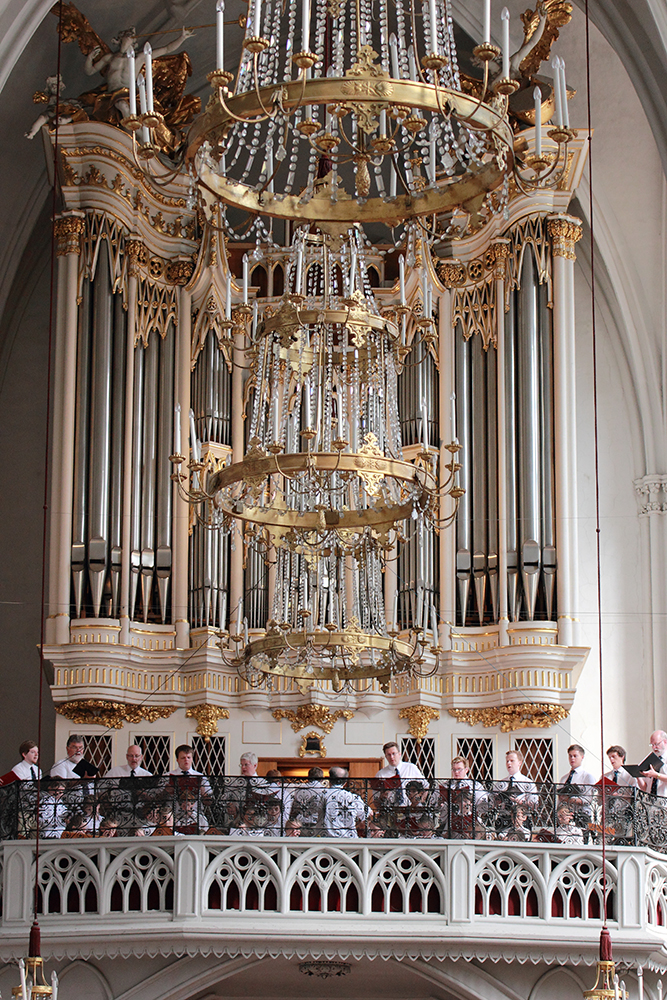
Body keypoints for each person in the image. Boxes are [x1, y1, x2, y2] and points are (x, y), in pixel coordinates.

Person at [83, 25, 195, 119]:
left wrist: (182, 37)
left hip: (127, 94)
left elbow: (167, 49)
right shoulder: (110, 58)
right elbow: (89, 71)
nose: (131, 37)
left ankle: (136, 130)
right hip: (109, 94)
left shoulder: (139, 58)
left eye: (132, 36)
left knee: (123, 105)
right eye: (128, 35)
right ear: (121, 39)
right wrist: (89, 58)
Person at [323, 767, 370, 837]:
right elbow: (368, 814)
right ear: (345, 782)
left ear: (329, 780)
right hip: (349, 839)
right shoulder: (352, 798)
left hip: (326, 839)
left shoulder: (322, 796)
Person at [289, 766, 326, 834]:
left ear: (308, 778)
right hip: (318, 824)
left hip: (301, 823)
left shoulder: (299, 789)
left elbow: (294, 808)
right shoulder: (324, 791)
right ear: (322, 779)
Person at [639, 731, 667, 795]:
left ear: (665, 742)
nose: (654, 747)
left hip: (664, 801)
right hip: (651, 801)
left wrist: (656, 775)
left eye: (656, 744)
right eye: (652, 745)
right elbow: (644, 788)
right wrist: (637, 775)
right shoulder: (651, 759)